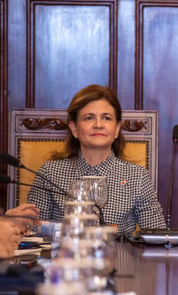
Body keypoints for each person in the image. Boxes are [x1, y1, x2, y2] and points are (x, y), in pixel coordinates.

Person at [28, 85, 166, 233]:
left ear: (117, 128)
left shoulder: (137, 177)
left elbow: (157, 235)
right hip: (65, 254)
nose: (98, 125)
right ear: (74, 128)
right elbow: (33, 230)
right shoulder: (50, 173)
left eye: (106, 118)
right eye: (89, 118)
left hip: (119, 256)